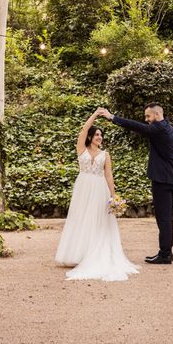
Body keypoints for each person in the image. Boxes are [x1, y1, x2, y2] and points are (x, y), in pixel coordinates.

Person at [54, 108, 139, 281]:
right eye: (97, 135)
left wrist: (113, 197)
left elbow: (109, 176)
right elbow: (84, 129)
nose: (99, 137)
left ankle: (93, 253)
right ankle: (78, 254)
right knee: (81, 218)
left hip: (100, 188)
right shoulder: (81, 149)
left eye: (101, 135)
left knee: (97, 219)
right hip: (83, 187)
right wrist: (95, 115)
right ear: (91, 137)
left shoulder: (105, 155)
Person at [99, 103, 173, 265]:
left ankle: (165, 254)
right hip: (172, 179)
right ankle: (166, 252)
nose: (146, 120)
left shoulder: (159, 129)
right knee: (166, 218)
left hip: (162, 180)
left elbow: (136, 127)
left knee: (163, 218)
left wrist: (112, 117)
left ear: (157, 115)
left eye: (148, 116)